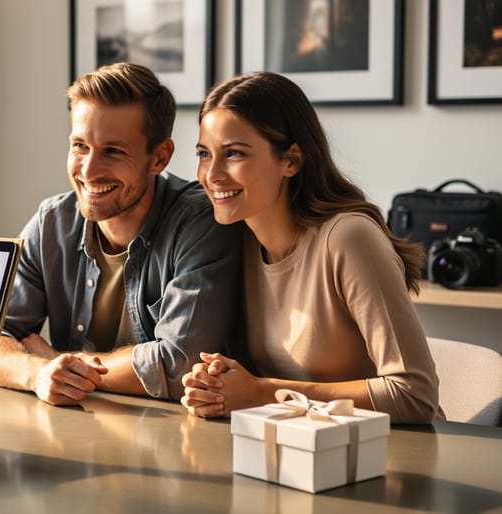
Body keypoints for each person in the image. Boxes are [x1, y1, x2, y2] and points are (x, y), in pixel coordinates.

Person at [182, 71, 441, 424]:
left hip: (393, 457)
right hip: (298, 454)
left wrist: (263, 392)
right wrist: (215, 384)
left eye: (234, 154)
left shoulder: (348, 238)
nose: (211, 175)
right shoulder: (234, 237)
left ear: (292, 160)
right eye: (203, 154)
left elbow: (415, 395)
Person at [0, 62, 243, 406]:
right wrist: (37, 373)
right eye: (80, 146)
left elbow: (179, 365)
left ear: (159, 157)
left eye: (113, 151)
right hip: (76, 427)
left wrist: (61, 363)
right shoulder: (52, 222)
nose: (90, 170)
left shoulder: (200, 223)